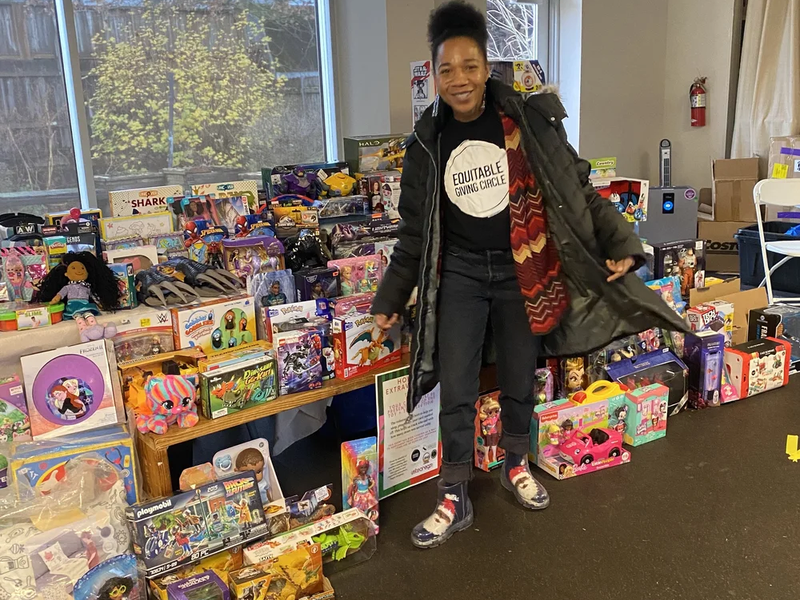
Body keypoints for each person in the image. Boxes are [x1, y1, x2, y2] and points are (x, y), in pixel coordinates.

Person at [371, 0, 686, 549]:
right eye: (446, 69)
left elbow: (578, 189)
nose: (459, 79)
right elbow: (414, 236)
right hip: (462, 275)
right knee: (457, 387)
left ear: (486, 65)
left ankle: (516, 463)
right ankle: (454, 494)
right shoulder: (427, 143)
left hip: (526, 267)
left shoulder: (527, 118)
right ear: (434, 75)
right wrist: (388, 300)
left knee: (520, 374)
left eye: (470, 65)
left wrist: (624, 244)